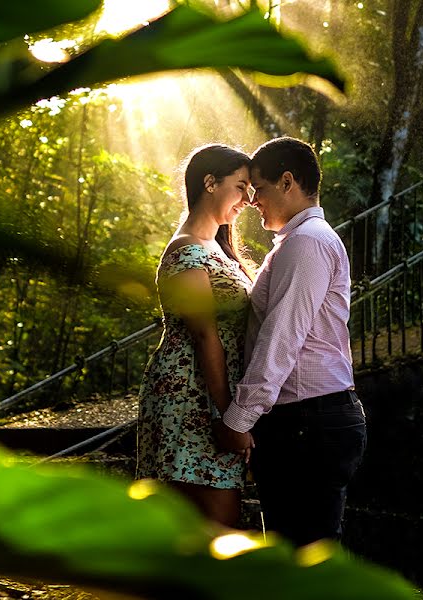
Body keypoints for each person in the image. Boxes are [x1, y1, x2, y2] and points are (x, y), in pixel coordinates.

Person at [214, 136, 367, 547]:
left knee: (305, 557)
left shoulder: (308, 243)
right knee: (296, 553)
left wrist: (239, 418)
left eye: (258, 188)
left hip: (308, 422)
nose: (252, 200)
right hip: (305, 420)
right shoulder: (297, 242)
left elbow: (282, 337)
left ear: (287, 182)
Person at [136, 143, 255, 528]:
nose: (247, 199)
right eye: (240, 186)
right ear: (209, 182)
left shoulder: (216, 249)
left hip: (208, 393)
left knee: (213, 527)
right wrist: (227, 417)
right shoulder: (186, 252)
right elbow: (206, 338)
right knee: (211, 524)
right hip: (191, 399)